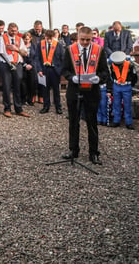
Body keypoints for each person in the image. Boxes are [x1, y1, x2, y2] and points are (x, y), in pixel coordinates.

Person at [61, 26, 109, 165]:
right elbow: (64, 69)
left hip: (92, 91)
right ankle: (73, 150)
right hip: (75, 90)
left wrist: (99, 78)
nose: (85, 42)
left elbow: (105, 71)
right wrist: (71, 77)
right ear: (78, 38)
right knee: (73, 122)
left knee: (92, 122)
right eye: (82, 39)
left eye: (88, 40)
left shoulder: (99, 50)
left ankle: (94, 153)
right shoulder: (70, 50)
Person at [0, 22, 30, 118]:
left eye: (15, 31)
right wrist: (9, 63)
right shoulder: (1, 39)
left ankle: (18, 108)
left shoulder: (19, 39)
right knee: (6, 87)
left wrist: (16, 49)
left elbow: (24, 53)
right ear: (8, 29)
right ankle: (7, 108)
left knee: (17, 86)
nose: (13, 32)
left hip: (17, 64)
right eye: (12, 30)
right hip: (6, 64)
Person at [34, 29, 64, 115]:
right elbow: (37, 58)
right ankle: (46, 106)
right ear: (45, 37)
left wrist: (60, 70)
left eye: (51, 38)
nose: (49, 40)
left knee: (56, 90)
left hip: (55, 70)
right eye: (48, 38)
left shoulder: (58, 45)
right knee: (45, 89)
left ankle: (58, 107)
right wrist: (39, 69)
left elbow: (62, 58)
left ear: (54, 37)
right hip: (44, 70)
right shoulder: (40, 45)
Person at [108, 51, 137, 129]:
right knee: (116, 103)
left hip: (126, 85)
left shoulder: (130, 65)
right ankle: (116, 121)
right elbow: (112, 75)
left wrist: (131, 85)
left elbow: (134, 77)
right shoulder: (113, 65)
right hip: (116, 85)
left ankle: (129, 122)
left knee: (127, 105)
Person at [20, 32, 38, 106]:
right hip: (23, 67)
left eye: (27, 39)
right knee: (23, 84)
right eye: (25, 39)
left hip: (32, 67)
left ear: (30, 39)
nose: (26, 40)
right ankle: (23, 99)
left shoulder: (34, 46)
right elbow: (19, 56)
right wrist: (25, 64)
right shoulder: (21, 47)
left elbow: (36, 57)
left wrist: (31, 64)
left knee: (32, 84)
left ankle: (30, 99)